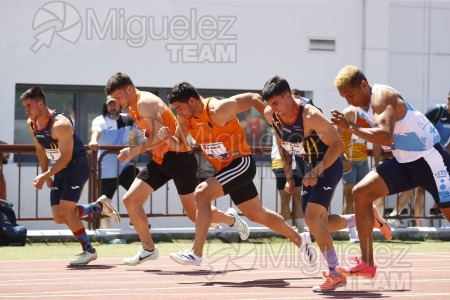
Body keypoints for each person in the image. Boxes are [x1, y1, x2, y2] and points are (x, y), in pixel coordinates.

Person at [165, 82, 317, 268]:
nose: (178, 113)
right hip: (226, 170)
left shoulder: (217, 109)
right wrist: (167, 139)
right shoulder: (185, 119)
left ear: (192, 101)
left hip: (241, 164)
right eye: (176, 110)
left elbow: (253, 98)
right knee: (257, 215)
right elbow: (180, 145)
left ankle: (196, 253)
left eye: (180, 108)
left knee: (201, 193)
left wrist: (277, 124)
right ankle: (301, 240)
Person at [262, 76, 391, 292]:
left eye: (276, 103)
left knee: (312, 219)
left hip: (328, 165)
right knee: (323, 225)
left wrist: (317, 170)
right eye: (269, 105)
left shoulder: (311, 116)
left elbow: (338, 145)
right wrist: (289, 176)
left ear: (288, 96)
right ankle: (368, 216)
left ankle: (335, 273)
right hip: (306, 169)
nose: (273, 109)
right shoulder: (271, 114)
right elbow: (282, 143)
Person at [104, 72, 248, 266]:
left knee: (193, 214)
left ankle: (230, 219)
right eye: (115, 99)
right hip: (160, 159)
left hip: (180, 159)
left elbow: (158, 137)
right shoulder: (132, 107)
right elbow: (154, 138)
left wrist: (133, 151)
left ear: (129, 89)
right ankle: (148, 249)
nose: (118, 102)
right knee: (130, 200)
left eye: (119, 97)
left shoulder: (144, 102)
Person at [331, 65, 450, 280]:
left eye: (350, 95)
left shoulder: (382, 97)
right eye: (344, 97)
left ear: (364, 86)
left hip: (431, 161)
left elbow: (385, 137)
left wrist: (349, 127)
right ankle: (367, 264)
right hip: (404, 163)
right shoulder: (359, 106)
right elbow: (346, 121)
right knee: (361, 193)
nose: (349, 101)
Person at [20, 86, 120, 266]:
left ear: (40, 103)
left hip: (76, 166)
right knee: (59, 217)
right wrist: (46, 174)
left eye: (29, 106)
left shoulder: (61, 124)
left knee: (66, 212)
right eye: (24, 107)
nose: (26, 110)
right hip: (59, 168)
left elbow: (66, 157)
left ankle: (88, 250)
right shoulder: (31, 123)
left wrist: (47, 174)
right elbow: (40, 149)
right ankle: (98, 207)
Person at [88, 95, 140, 229]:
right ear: (106, 106)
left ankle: (136, 222)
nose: (112, 106)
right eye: (110, 104)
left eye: (115, 103)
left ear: (120, 105)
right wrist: (93, 140)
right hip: (107, 169)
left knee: (140, 190)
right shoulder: (100, 120)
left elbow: (139, 134)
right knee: (105, 203)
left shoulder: (128, 119)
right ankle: (106, 232)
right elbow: (96, 131)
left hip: (126, 165)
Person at [336, 106, 382, 241]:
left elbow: (377, 141)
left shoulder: (374, 116)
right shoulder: (350, 113)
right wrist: (342, 159)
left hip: (362, 161)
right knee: (349, 195)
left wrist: (377, 165)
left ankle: (365, 229)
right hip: (348, 161)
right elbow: (335, 136)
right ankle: (352, 232)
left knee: (365, 197)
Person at [271, 133, 305, 231]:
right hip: (281, 162)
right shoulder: (277, 122)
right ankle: (291, 231)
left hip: (294, 162)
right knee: (286, 199)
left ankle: (299, 230)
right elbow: (280, 143)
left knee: (295, 198)